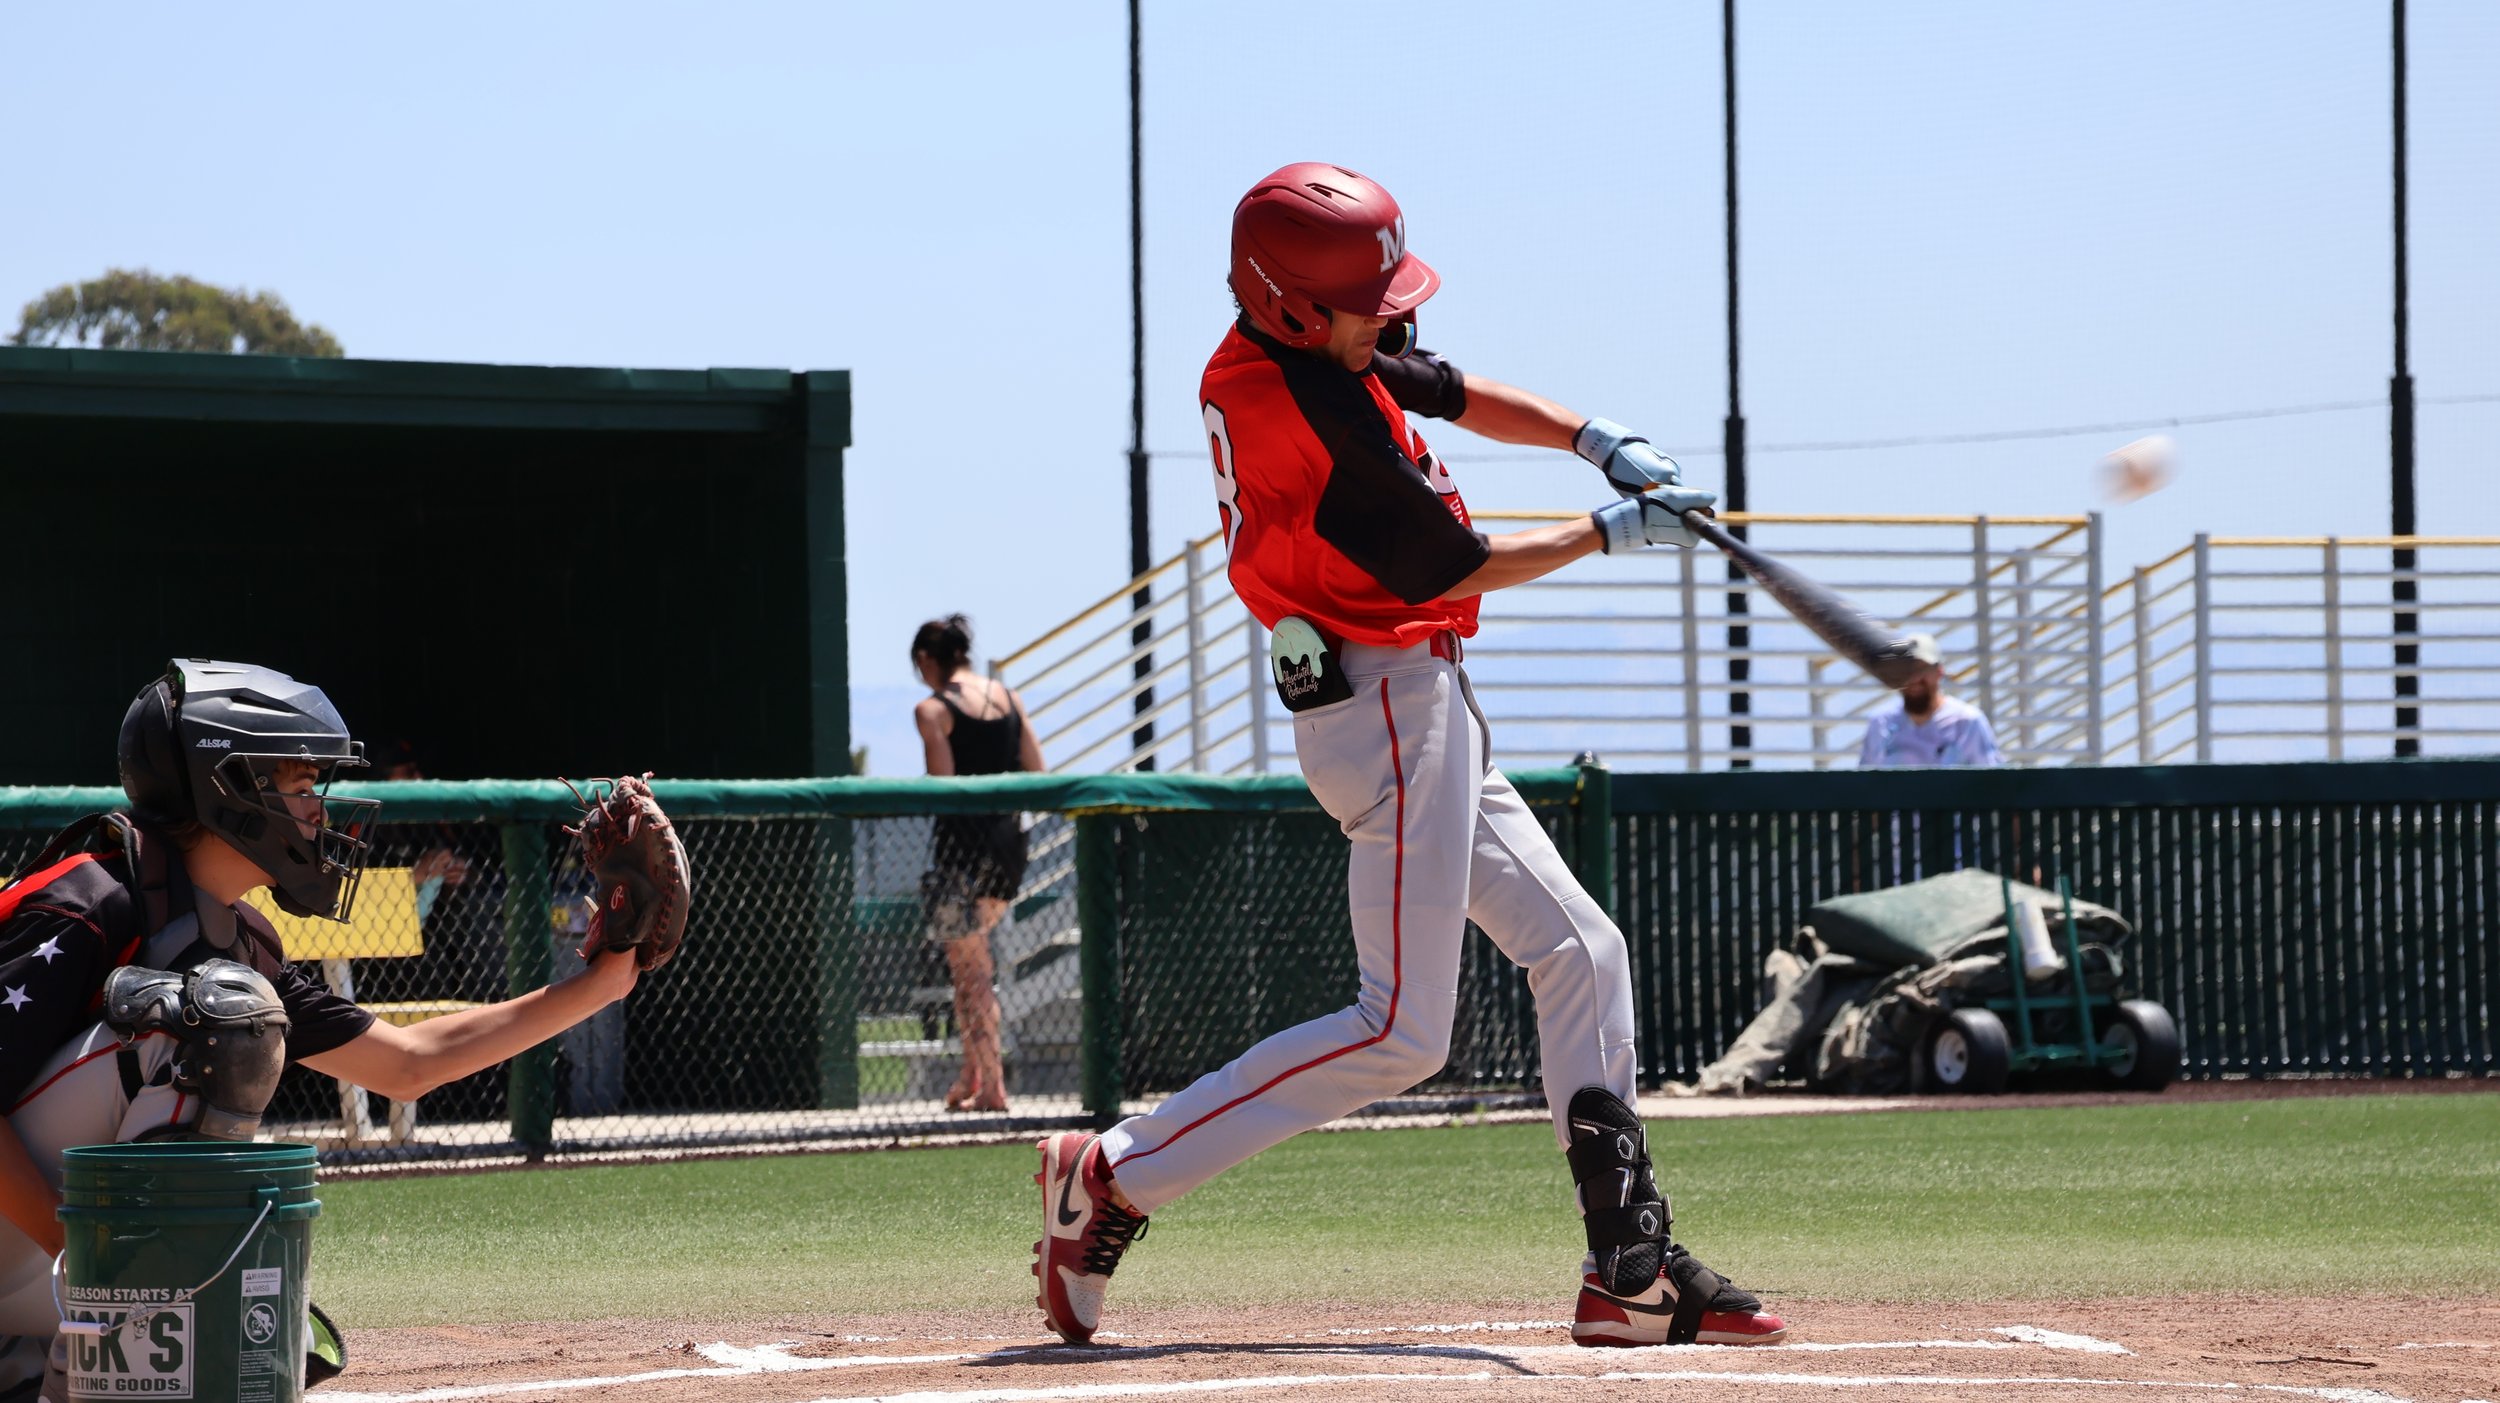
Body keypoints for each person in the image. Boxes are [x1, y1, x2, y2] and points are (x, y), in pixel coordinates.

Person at [1031, 163, 1788, 1350]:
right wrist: (1607, 530)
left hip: (1412, 700)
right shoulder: (1308, 418)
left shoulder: (1303, 341)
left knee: (1583, 951)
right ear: (1293, 306)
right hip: (1381, 702)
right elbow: (1453, 564)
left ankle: (1626, 1263)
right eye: (1368, 307)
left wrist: (1594, 438)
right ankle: (1116, 1168)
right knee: (1401, 1030)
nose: (1391, 322)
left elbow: (1451, 389)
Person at [0, 659, 647, 1395]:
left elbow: (408, 1062)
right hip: (38, 1244)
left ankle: (62, 1362)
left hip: (35, 1264)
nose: (320, 812)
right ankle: (107, 1312)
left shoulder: (234, 941)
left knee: (261, 1314)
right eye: (304, 788)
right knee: (204, 1016)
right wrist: (88, 1253)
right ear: (230, 788)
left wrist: (603, 980)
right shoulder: (91, 897)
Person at [912, 616, 1043, 1113]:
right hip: (1009, 846)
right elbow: (1038, 771)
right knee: (971, 966)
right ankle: (971, 1073)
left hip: (958, 854)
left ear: (927, 661)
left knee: (972, 973)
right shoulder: (1011, 700)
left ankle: (993, 1084)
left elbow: (944, 786)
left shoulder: (932, 710)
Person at [1857, 635, 2006, 768]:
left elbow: (1992, 783)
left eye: (1922, 668)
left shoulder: (1967, 722)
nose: (1914, 678)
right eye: (1906, 669)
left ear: (1939, 671)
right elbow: (1866, 788)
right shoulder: (1880, 723)